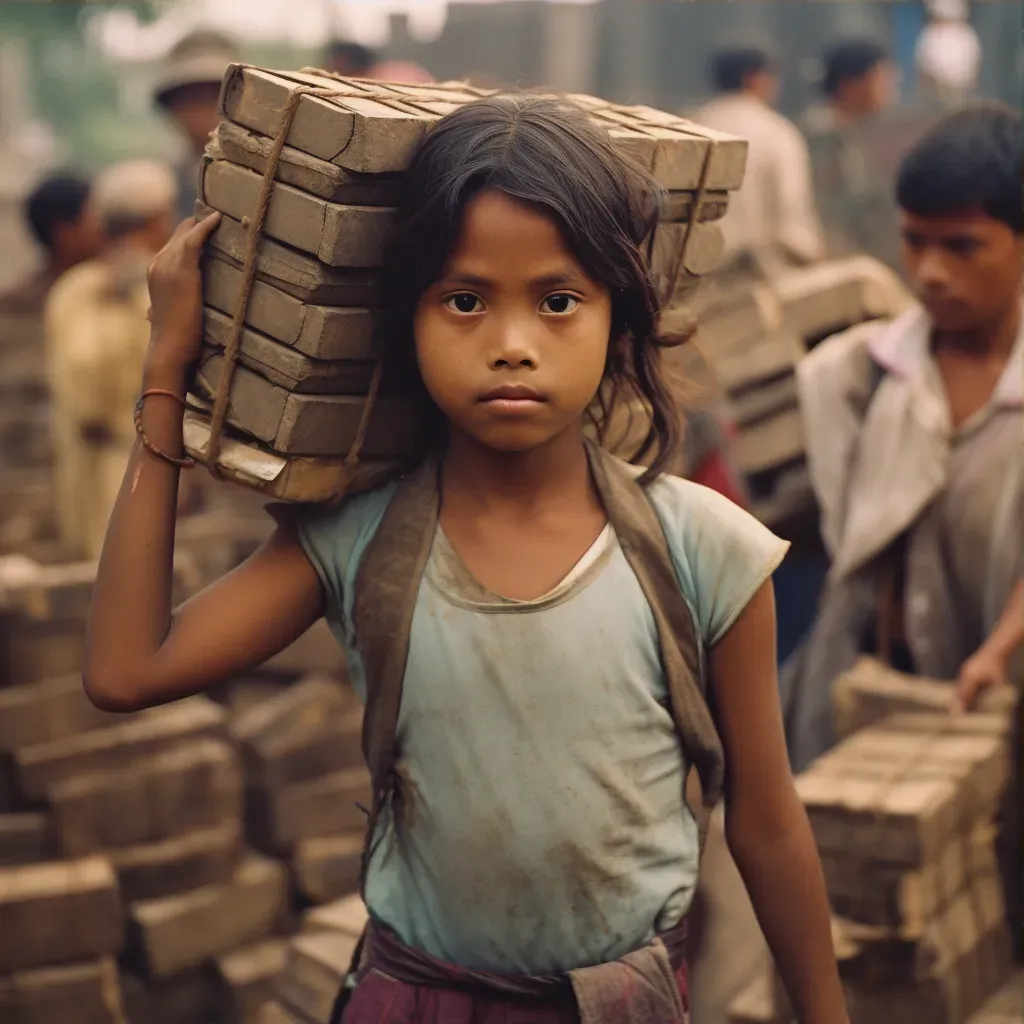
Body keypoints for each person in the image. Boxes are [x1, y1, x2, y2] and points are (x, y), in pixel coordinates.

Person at [83, 95, 848, 1024]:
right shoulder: (360, 536)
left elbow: (766, 824)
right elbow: (126, 669)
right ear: (408, 319)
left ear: (621, 319)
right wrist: (169, 365)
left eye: (559, 301)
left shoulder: (703, 548)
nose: (513, 346)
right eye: (465, 301)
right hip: (416, 1003)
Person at [782, 102, 1024, 773]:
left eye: (962, 246)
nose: (931, 271)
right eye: (915, 241)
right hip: (871, 692)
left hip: (997, 698)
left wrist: (1000, 649)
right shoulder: (855, 376)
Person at [44, 159, 178, 561]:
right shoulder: (156, 290)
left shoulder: (73, 287)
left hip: (90, 464)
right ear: (158, 218)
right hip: (128, 462)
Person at [692, 47, 824, 276]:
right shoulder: (777, 131)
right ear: (754, 78)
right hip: (760, 281)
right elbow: (793, 227)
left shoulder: (691, 127)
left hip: (696, 281)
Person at [802, 39, 900, 269]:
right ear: (850, 84)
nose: (890, 87)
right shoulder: (823, 137)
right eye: (882, 78)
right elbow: (829, 218)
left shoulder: (844, 134)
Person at [154, 30, 238, 224]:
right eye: (193, 99)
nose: (206, 111)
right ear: (174, 109)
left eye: (215, 95)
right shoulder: (163, 193)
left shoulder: (272, 179)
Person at [0, 173, 104, 316]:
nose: (103, 229)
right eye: (94, 219)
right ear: (64, 232)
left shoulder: (107, 284)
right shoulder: (22, 306)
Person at [914, 0, 981, 109]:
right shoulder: (929, 34)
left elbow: (974, 70)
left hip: (961, 92)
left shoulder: (967, 35)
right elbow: (922, 69)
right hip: (935, 94)